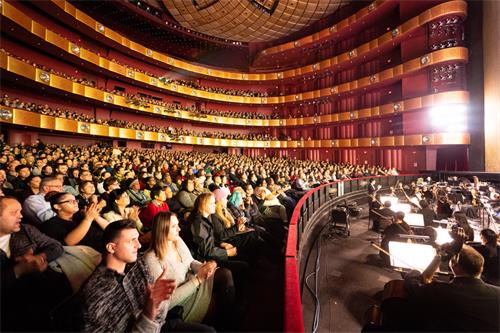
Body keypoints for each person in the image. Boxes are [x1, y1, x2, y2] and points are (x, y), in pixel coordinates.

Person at [81, 219, 177, 333]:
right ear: (111, 248)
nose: (139, 245)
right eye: (132, 241)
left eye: (137, 239)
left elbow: (157, 311)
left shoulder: (138, 263)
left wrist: (160, 300)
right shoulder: (96, 294)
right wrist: (148, 314)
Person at [144, 212, 231, 330]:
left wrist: (205, 268)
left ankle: (228, 319)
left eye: (178, 225)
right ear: (162, 229)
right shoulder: (151, 259)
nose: (179, 229)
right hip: (183, 301)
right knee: (218, 306)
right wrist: (198, 279)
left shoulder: (177, 240)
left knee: (225, 273)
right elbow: (166, 303)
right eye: (174, 226)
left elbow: (191, 262)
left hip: (196, 284)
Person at [0, 196, 71, 331]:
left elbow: (56, 246)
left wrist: (40, 256)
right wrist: (19, 270)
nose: (20, 216)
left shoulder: (26, 230)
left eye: (20, 211)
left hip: (47, 296)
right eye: (13, 212)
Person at [404, 245, 500, 332]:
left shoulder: (440, 290)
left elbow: (412, 287)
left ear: (453, 265)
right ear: (481, 268)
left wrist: (414, 272)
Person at [42, 192, 107, 251]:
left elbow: (109, 228)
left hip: (108, 241)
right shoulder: (51, 224)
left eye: (75, 200)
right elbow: (68, 242)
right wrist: (88, 219)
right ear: (57, 206)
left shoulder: (81, 215)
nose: (75, 203)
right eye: (70, 201)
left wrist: (95, 217)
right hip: (93, 252)